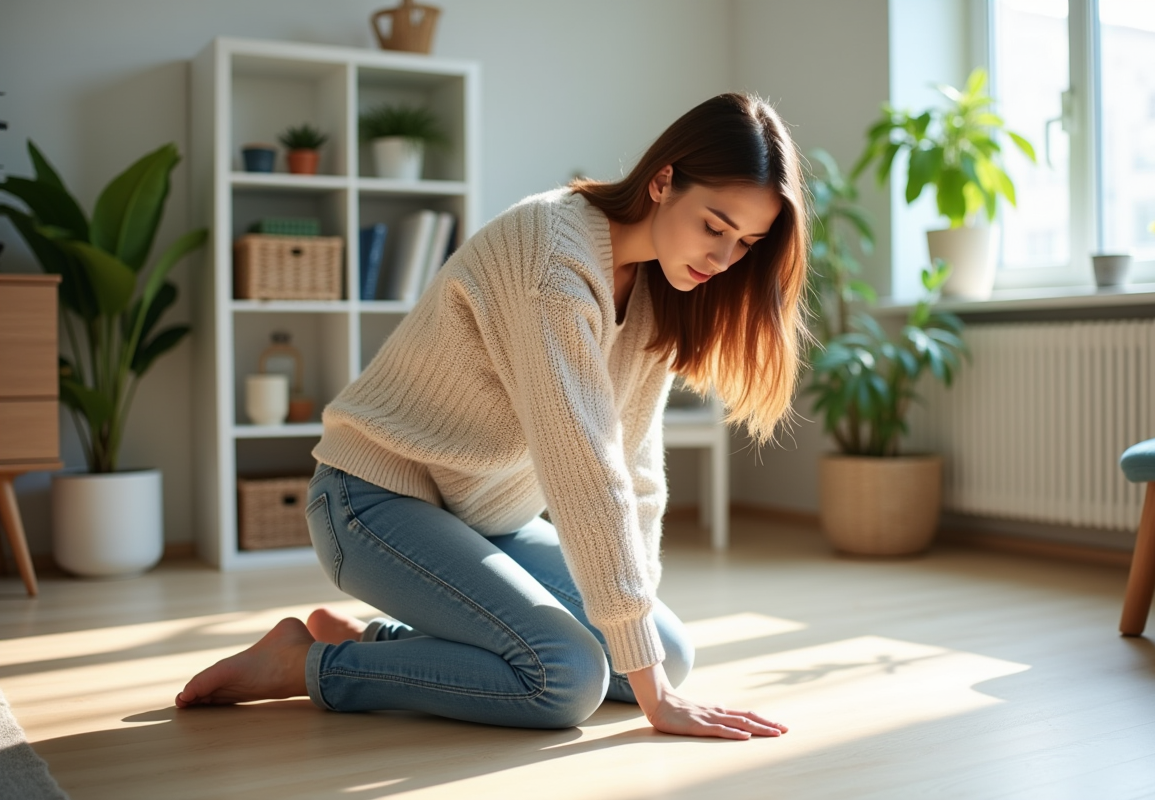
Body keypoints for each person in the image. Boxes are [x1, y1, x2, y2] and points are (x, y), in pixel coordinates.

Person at [177, 92, 809, 740]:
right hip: (369, 501)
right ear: (663, 180)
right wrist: (659, 704)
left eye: (746, 243)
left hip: (486, 517)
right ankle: (305, 664)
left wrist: (642, 643)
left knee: (664, 653)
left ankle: (371, 640)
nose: (723, 260)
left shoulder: (661, 288)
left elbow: (636, 473)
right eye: (714, 227)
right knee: (566, 678)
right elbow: (586, 474)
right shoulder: (553, 258)